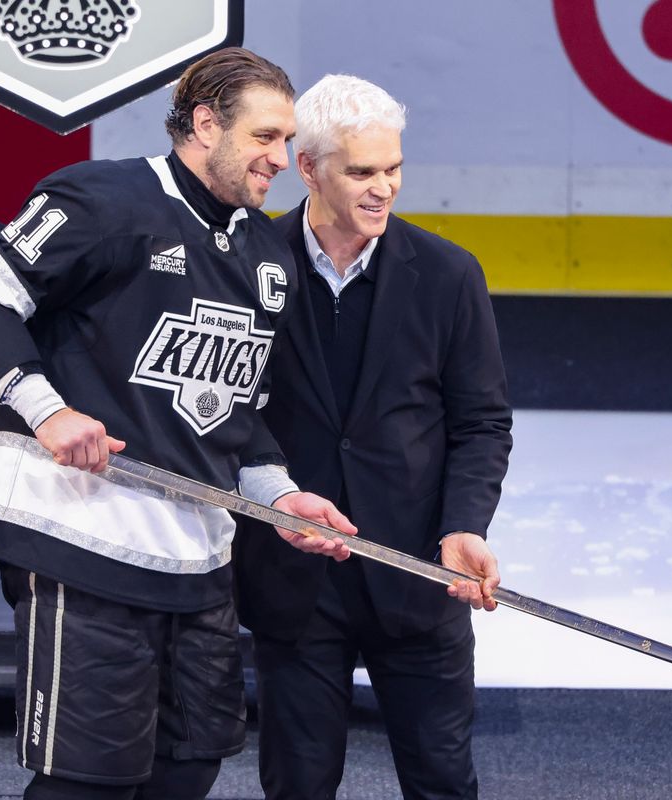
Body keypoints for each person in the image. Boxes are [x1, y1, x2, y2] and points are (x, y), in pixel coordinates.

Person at [0, 47, 356, 800]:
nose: (282, 159)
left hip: (198, 565)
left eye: (287, 140)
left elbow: (236, 413)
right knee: (89, 786)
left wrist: (279, 495)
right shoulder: (104, 200)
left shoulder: (264, 257)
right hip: (80, 544)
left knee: (188, 772)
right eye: (264, 137)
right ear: (205, 123)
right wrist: (46, 408)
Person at [232, 74, 513, 800]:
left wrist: (463, 525)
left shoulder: (449, 274)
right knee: (298, 785)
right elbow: (225, 407)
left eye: (392, 169)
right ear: (309, 169)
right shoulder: (242, 262)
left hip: (419, 571)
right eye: (361, 171)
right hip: (294, 580)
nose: (382, 188)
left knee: (444, 783)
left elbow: (482, 421)